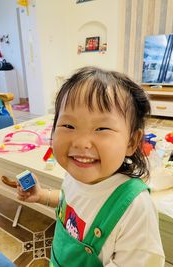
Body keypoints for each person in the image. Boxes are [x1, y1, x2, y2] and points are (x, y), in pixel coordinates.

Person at [17, 66, 165, 267]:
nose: (81, 142)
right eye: (68, 126)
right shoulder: (76, 174)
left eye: (102, 128)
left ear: (131, 142)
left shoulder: (136, 208)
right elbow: (70, 202)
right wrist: (42, 196)